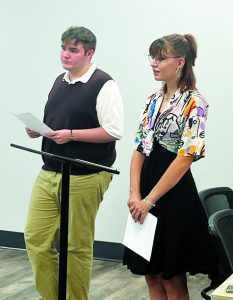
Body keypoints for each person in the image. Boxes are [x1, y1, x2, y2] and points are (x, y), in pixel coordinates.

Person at [24, 26, 124, 300]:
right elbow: (60, 120)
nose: (65, 55)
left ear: (89, 53)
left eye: (73, 50)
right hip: (51, 169)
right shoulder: (60, 80)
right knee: (35, 239)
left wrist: (71, 135)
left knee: (75, 247)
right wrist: (39, 130)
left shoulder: (104, 84)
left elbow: (113, 130)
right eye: (63, 48)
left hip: (86, 174)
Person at [123, 34, 218, 300]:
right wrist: (134, 194)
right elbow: (139, 147)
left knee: (171, 277)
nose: (153, 63)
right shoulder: (153, 99)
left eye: (160, 58)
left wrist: (149, 201)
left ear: (179, 61)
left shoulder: (194, 102)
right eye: (152, 58)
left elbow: (185, 157)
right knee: (150, 274)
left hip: (172, 194)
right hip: (145, 189)